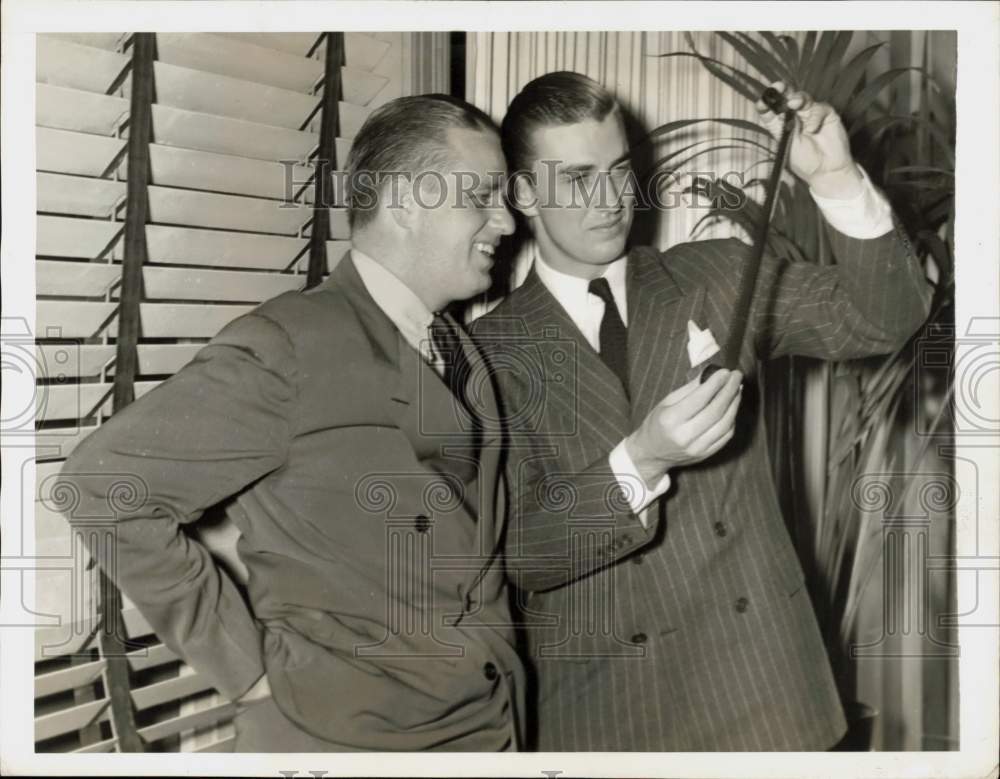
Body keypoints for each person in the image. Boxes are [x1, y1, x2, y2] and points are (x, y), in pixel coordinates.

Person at [471, 71, 932, 750]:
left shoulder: (711, 275)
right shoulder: (485, 354)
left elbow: (888, 316)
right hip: (611, 719)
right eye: (577, 179)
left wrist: (836, 179)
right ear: (524, 193)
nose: (611, 199)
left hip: (767, 696)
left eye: (620, 170)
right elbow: (516, 551)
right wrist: (641, 459)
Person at [58, 94, 526, 751]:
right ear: (404, 203)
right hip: (340, 742)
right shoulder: (288, 346)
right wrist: (245, 670)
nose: (506, 220)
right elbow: (99, 487)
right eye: (483, 195)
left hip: (481, 728)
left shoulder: (455, 347)